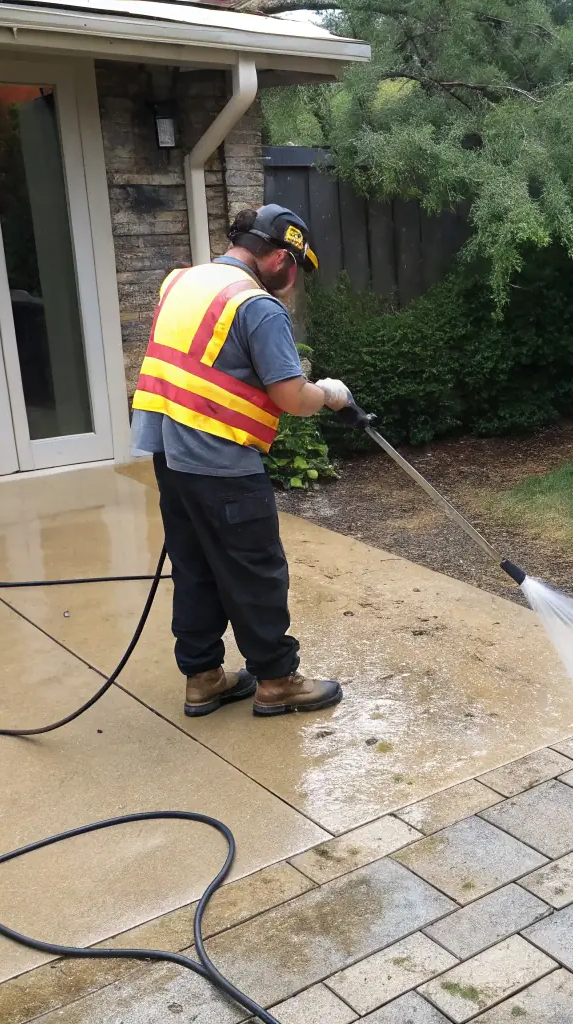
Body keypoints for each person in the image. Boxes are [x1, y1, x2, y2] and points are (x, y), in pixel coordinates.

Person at [129, 204, 352, 718]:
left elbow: (209, 365)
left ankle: (204, 677)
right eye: (295, 268)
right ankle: (276, 680)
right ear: (278, 258)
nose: (294, 280)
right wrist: (329, 395)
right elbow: (292, 398)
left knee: (195, 568)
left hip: (173, 460)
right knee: (256, 572)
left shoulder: (181, 281)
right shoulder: (257, 306)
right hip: (222, 461)